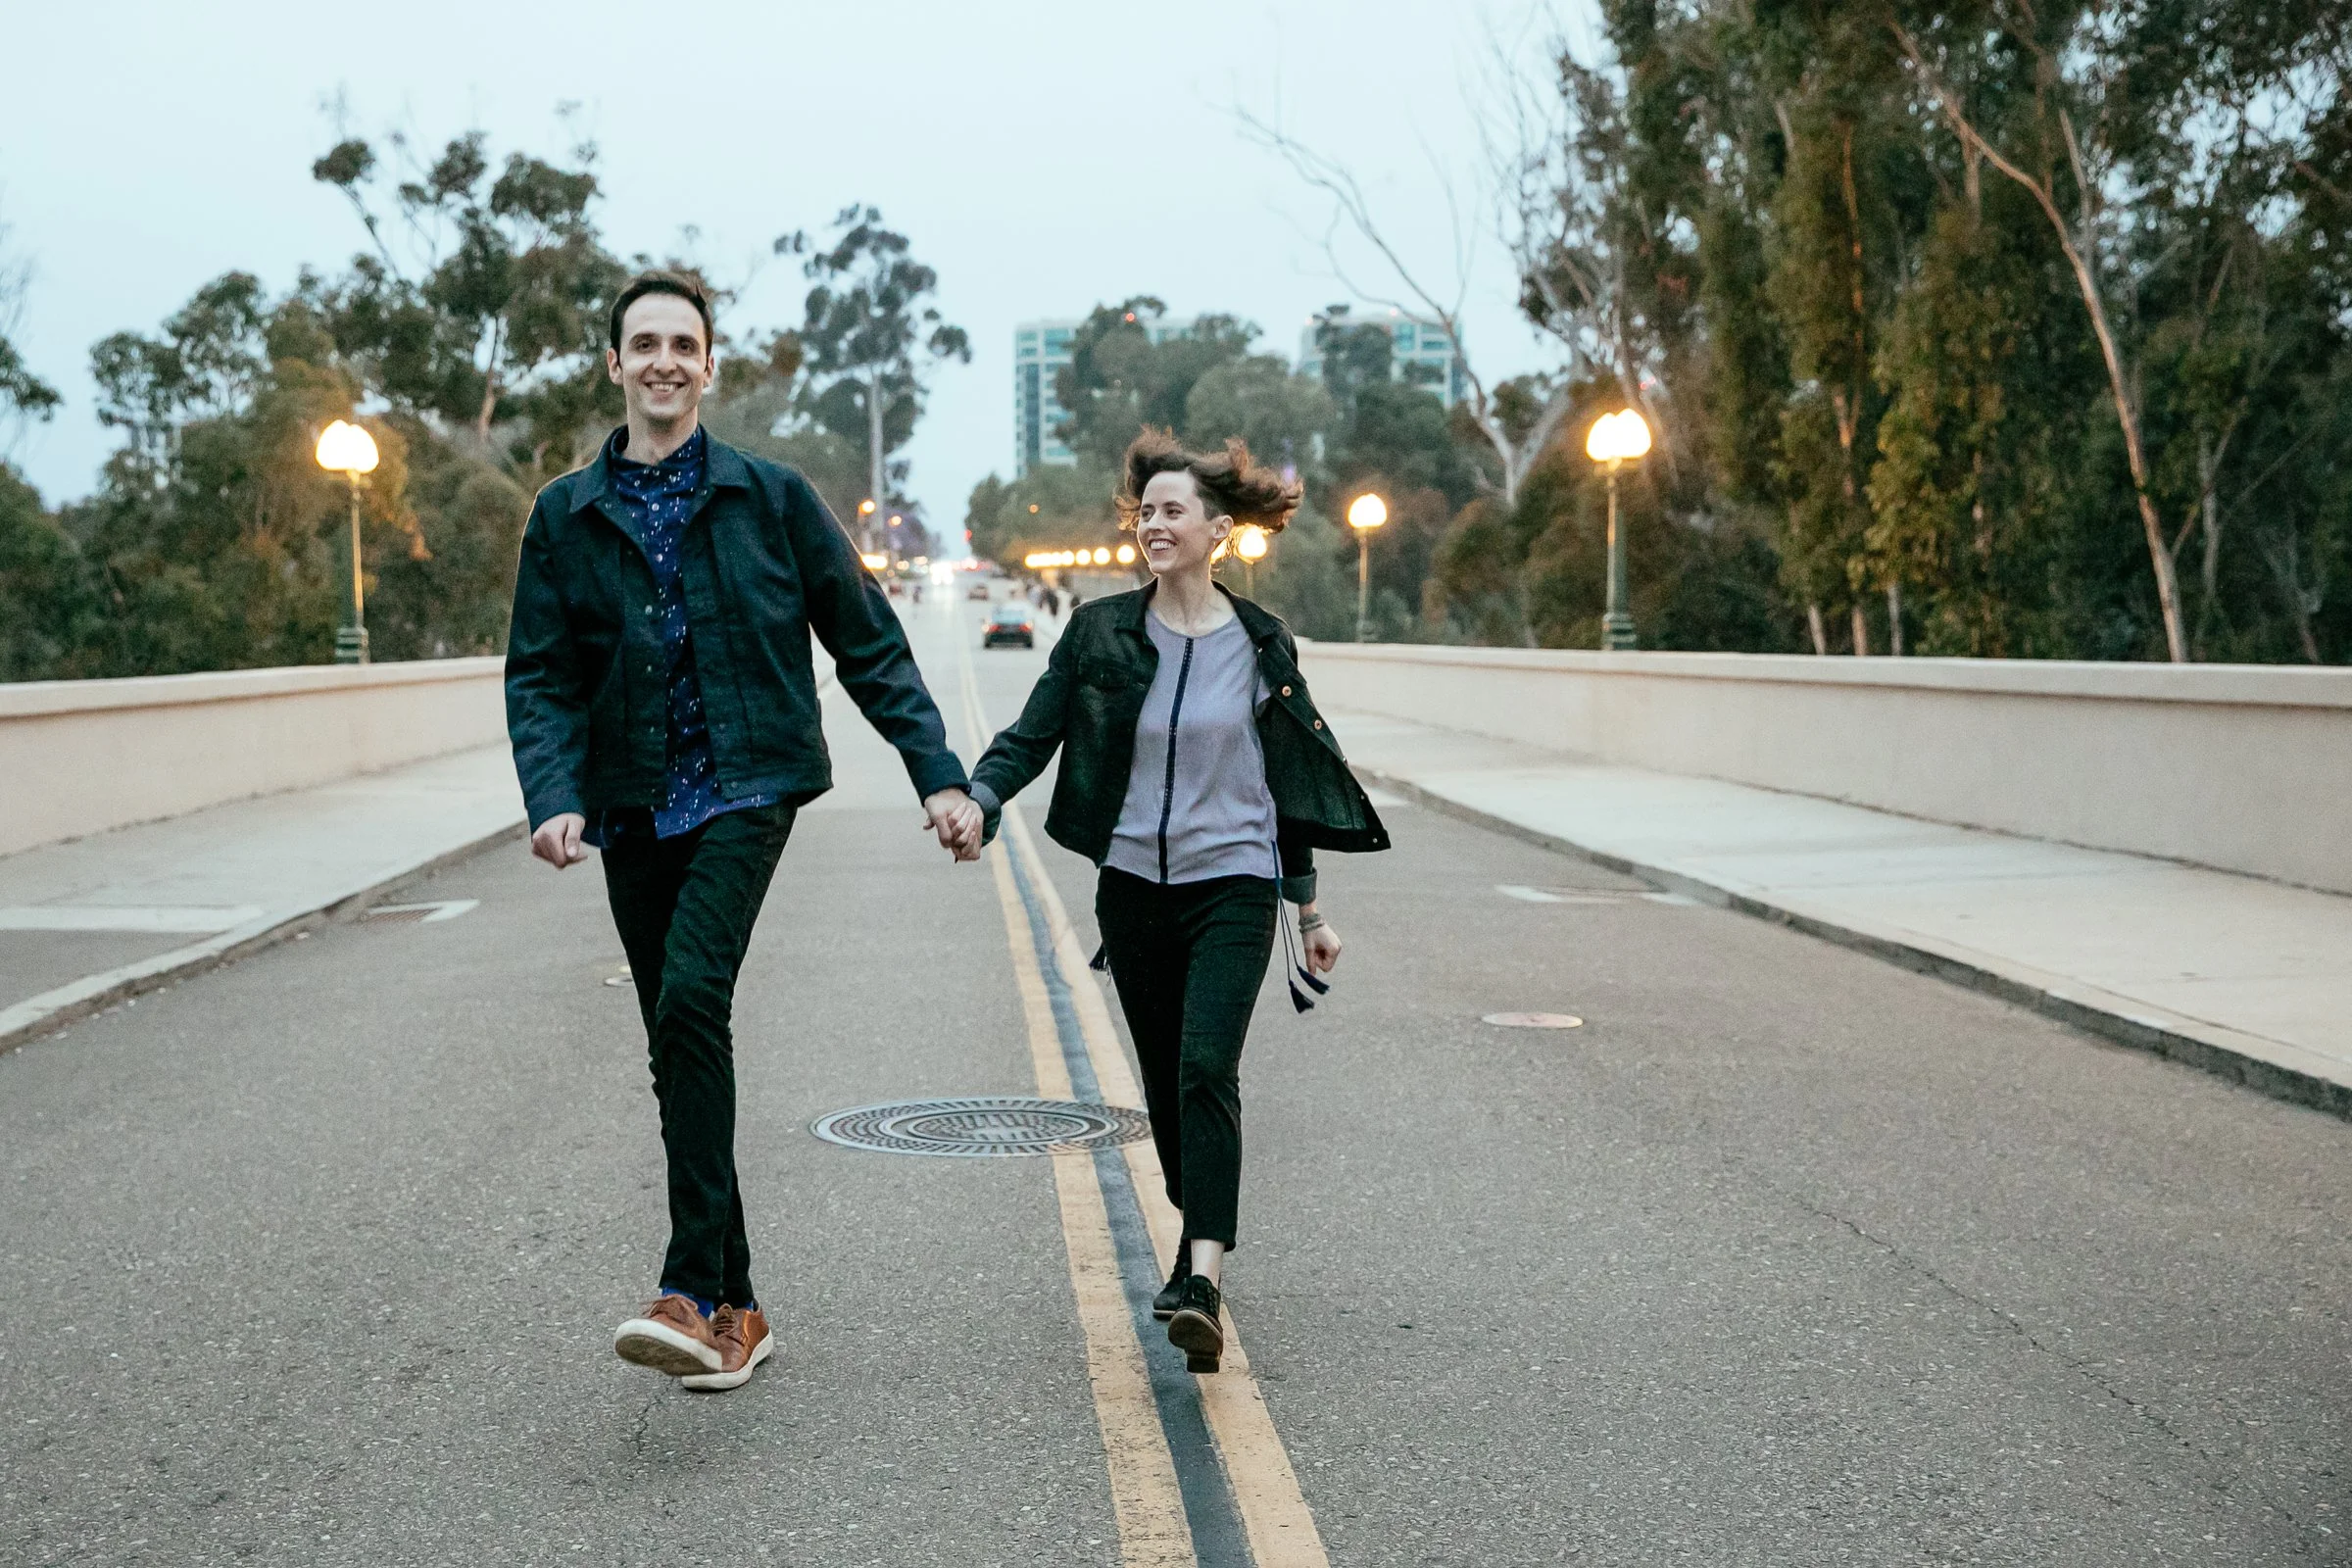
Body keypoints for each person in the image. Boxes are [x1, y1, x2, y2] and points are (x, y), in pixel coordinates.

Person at [506, 271, 980, 1394]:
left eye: (686, 343)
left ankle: (682, 1283)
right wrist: (553, 791)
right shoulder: (566, 515)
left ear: (709, 366)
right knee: (681, 1048)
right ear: (614, 366)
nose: (666, 360)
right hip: (628, 802)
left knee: (688, 1001)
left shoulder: (770, 497)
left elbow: (867, 640)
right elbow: (540, 671)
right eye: (645, 344)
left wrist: (939, 775)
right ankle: (741, 1309)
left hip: (745, 785)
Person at [949, 429, 1389, 1372]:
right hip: (1134, 894)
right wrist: (982, 800)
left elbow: (1291, 786)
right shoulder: (1101, 632)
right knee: (1162, 1086)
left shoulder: (1263, 644)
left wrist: (1306, 913)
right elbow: (1033, 733)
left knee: (1204, 1069)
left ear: (1217, 529)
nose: (1152, 523)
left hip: (1232, 886)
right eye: (1144, 511)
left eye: (1171, 510)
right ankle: (1200, 1243)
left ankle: (1203, 1277)